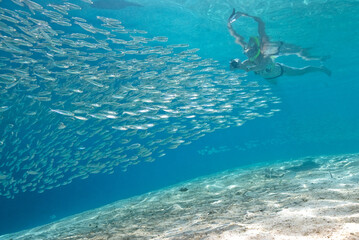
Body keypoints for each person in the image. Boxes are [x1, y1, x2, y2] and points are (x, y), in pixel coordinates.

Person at [227, 9, 331, 81]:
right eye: (246, 51)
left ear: (257, 49)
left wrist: (245, 14)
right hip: (269, 77)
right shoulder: (249, 60)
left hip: (281, 71)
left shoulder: (264, 56)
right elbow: (237, 38)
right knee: (273, 83)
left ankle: (321, 68)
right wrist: (229, 24)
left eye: (251, 50)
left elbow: (260, 66)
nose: (248, 52)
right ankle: (317, 58)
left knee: (301, 71)